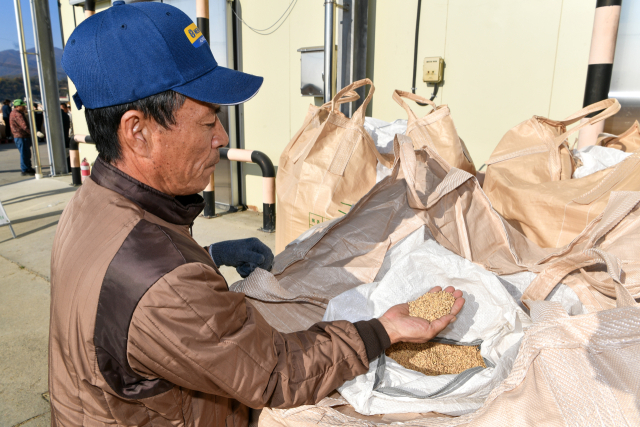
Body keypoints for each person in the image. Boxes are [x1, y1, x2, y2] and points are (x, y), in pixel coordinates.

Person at [50, 2, 465, 426]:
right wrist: (384, 330)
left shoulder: (91, 202)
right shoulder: (162, 282)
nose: (223, 137)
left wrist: (205, 257)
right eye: (208, 121)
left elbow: (122, 297)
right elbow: (276, 372)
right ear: (137, 132)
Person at [9, 99, 35, 176]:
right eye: (22, 106)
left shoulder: (14, 113)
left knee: (25, 153)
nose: (24, 107)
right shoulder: (18, 114)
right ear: (17, 106)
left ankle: (28, 167)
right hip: (21, 137)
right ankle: (25, 169)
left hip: (20, 137)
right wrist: (33, 133)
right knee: (24, 153)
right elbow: (24, 126)